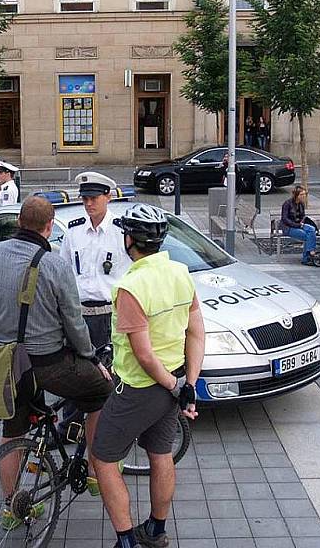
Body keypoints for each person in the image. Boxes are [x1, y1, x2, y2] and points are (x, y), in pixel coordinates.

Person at [0, 196, 113, 522]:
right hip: (49, 364)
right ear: (49, 227)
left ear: (19, 222)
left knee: (12, 431)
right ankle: (97, 471)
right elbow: (74, 322)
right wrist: (90, 356)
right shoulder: (55, 265)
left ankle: (13, 506)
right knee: (100, 393)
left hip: (6, 364)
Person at [93, 203, 204, 548]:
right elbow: (197, 332)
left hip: (141, 388)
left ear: (129, 240)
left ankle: (125, 541)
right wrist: (188, 385)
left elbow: (142, 355)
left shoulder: (131, 286)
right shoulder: (180, 273)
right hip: (174, 381)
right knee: (161, 455)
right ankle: (156, 531)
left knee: (104, 460)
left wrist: (174, 387)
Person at [57, 172, 130, 441]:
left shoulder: (122, 232)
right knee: (73, 374)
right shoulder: (74, 231)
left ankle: (108, 430)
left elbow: (133, 274)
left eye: (94, 198)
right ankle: (69, 429)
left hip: (109, 314)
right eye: (85, 199)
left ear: (108, 197)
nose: (88, 204)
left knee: (110, 375)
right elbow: (64, 271)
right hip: (79, 315)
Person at [281, 185, 318, 266]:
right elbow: (285, 219)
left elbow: (303, 216)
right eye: (301, 194)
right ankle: (307, 257)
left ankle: (310, 252)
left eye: (305, 194)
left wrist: (301, 223)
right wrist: (297, 225)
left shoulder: (301, 204)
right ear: (296, 195)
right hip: (289, 227)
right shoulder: (287, 204)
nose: (303, 196)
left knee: (312, 229)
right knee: (307, 236)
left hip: (299, 225)